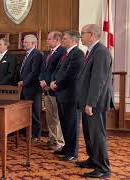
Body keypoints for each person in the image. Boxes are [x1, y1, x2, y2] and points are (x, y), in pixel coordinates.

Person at [76, 24, 114, 178]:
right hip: (88, 101)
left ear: (91, 35)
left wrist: (91, 103)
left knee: (97, 135)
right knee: (89, 133)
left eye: (82, 33)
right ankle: (93, 160)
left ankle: (103, 169)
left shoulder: (101, 52)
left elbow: (98, 81)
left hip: (94, 103)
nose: (80, 36)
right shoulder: (91, 51)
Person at [50, 30, 83, 161]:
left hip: (70, 95)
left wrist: (56, 84)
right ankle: (67, 148)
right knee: (64, 123)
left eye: (65, 38)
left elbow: (70, 75)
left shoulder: (78, 54)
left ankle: (73, 152)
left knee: (72, 124)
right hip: (61, 94)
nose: (63, 40)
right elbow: (57, 71)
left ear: (73, 40)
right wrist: (52, 81)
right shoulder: (66, 53)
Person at [39, 31, 66, 150]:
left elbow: (59, 71)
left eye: (49, 39)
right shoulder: (47, 53)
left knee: (57, 117)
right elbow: (42, 69)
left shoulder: (63, 52)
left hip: (55, 89)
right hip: (46, 89)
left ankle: (59, 142)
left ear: (57, 40)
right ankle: (52, 139)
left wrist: (49, 82)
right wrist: (41, 80)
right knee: (50, 117)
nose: (47, 41)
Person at [18, 34, 43, 142]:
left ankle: (36, 135)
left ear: (33, 43)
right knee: (26, 112)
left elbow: (34, 72)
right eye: (24, 42)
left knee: (34, 112)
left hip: (33, 88)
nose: (24, 44)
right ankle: (28, 133)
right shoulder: (27, 54)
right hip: (25, 88)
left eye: (26, 42)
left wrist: (24, 82)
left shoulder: (37, 54)